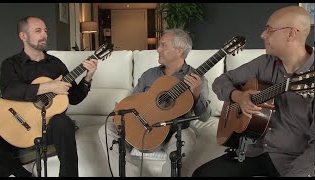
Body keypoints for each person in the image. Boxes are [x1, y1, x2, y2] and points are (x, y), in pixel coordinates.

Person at [192, 6, 314, 177]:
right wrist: (239, 96)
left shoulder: (310, 77)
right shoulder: (264, 63)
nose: (263, 35)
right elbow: (221, 81)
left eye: (269, 29)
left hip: (293, 160)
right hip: (256, 151)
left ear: (291, 34)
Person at [100, 28, 212, 177]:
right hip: (142, 125)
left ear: (179, 51)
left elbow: (205, 117)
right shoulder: (149, 75)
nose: (157, 49)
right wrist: (124, 108)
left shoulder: (197, 79)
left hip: (173, 131)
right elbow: (134, 100)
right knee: (106, 128)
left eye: (163, 45)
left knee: (188, 136)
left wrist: (196, 94)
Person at [0, 16, 98, 177]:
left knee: (64, 122)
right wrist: (49, 86)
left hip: (47, 128)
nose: (44, 34)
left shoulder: (56, 64)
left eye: (45, 30)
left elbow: (74, 98)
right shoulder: (11, 64)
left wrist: (88, 77)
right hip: (17, 123)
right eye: (38, 31)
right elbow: (9, 91)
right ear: (23, 36)